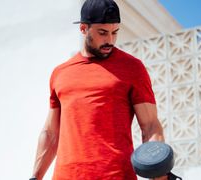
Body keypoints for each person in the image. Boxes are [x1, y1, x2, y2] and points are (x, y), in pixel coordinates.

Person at [30, 0, 166, 179]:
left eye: (115, 32)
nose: (110, 40)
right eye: (103, 33)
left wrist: (160, 175)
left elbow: (150, 126)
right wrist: (35, 177)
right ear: (83, 29)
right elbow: (51, 133)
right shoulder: (60, 73)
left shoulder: (133, 68)